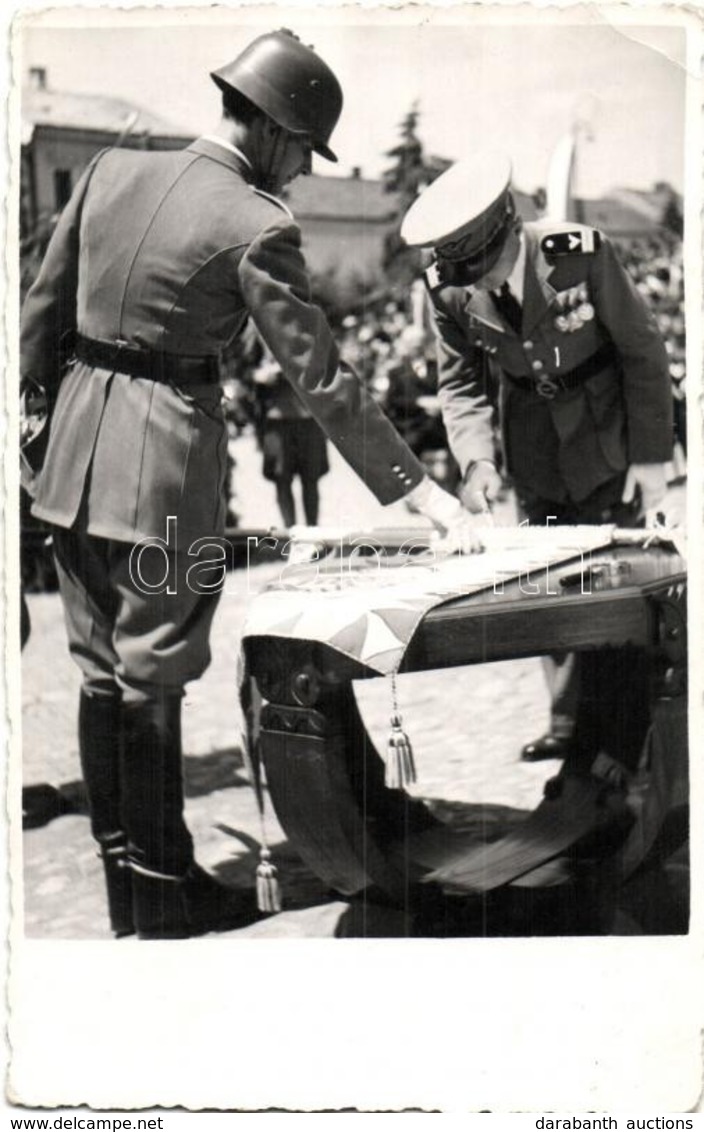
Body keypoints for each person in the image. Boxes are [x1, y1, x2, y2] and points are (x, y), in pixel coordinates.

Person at [20, 29, 479, 940]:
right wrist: (415, 490)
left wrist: (35, 430)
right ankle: (165, 894)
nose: (305, 170)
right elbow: (322, 379)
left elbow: (38, 311)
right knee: (151, 672)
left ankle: (130, 886)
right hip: (161, 477)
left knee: (98, 671)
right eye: (306, 148)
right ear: (274, 129)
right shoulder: (255, 222)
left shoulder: (111, 172)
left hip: (70, 466)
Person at [401, 151, 673, 764]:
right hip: (532, 451)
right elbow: (462, 384)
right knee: (552, 589)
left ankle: (621, 746)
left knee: (614, 592)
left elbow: (642, 349)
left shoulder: (577, 251)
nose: (481, 288)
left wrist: (651, 458)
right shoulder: (448, 286)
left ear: (509, 230)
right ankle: (567, 722)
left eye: (489, 272)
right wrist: (477, 461)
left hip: (606, 440)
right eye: (467, 279)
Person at [253, 349, 329, 526]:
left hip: (309, 419)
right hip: (277, 420)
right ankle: (291, 534)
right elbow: (248, 372)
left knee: (311, 479)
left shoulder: (310, 331)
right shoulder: (258, 333)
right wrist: (269, 372)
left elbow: (325, 368)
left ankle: (312, 533)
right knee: (282, 479)